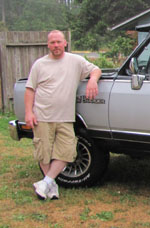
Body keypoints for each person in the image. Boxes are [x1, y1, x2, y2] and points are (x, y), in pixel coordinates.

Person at [24, 30, 101, 200]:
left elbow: (95, 69)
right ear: (48, 45)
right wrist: (29, 113)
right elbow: (30, 89)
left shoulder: (75, 61)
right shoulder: (39, 64)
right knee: (44, 153)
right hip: (42, 115)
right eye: (52, 43)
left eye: (59, 42)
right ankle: (50, 185)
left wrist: (92, 80)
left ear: (65, 43)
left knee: (67, 152)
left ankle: (46, 182)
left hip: (65, 117)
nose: (56, 45)